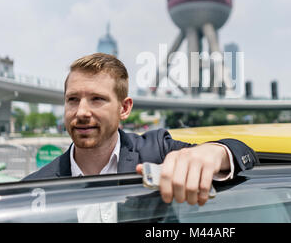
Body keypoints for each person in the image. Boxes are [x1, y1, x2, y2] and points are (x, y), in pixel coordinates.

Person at [23, 53, 257, 206]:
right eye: (73, 99)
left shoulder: (157, 152)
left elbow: (244, 152)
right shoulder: (34, 190)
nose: (82, 112)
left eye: (97, 99)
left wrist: (214, 153)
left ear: (124, 108)